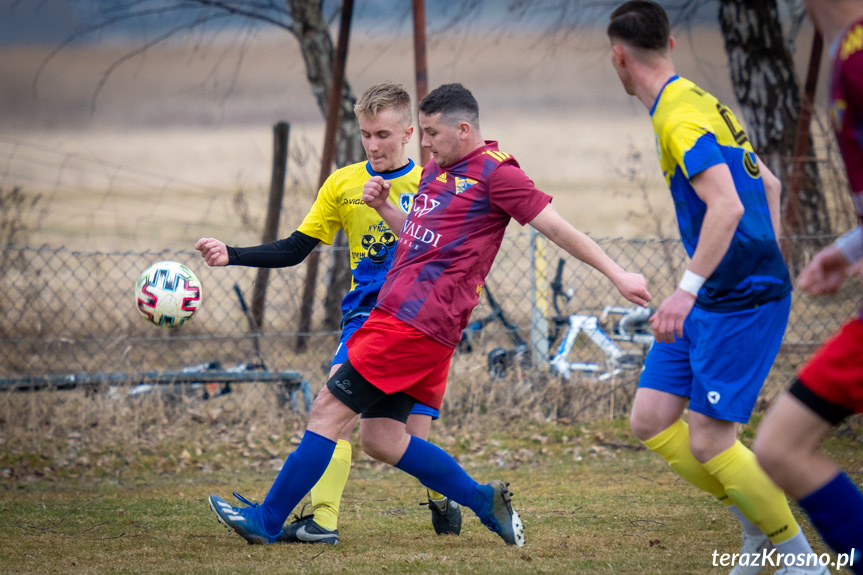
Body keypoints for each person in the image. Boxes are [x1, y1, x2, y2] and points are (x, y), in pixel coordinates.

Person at [207, 82, 651, 548]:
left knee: (326, 410)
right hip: (406, 319)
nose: (425, 144)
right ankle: (484, 502)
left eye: (432, 134)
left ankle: (269, 520)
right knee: (382, 439)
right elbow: (421, 240)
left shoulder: (497, 175)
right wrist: (382, 207)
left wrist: (617, 274)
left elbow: (558, 229)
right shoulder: (438, 172)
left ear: (463, 129)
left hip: (414, 324)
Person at [607, 3, 829, 574]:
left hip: (736, 299)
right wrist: (766, 254)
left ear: (619, 56)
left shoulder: (679, 118)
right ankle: (757, 526)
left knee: (709, 440)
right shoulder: (700, 102)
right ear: (672, 45)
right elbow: (771, 185)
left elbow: (728, 204)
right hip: (716, 290)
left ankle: (797, 558)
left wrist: (688, 289)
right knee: (652, 420)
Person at [196, 82, 462, 545]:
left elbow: (451, 262)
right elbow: (297, 248)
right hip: (366, 319)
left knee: (406, 442)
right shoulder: (344, 183)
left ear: (408, 133)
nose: (373, 145)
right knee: (332, 408)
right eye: (366, 135)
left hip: (421, 323)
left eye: (383, 134)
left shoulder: (432, 184)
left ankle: (446, 495)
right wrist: (231, 253)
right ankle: (323, 521)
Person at [751, 1, 863, 572]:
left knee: (779, 446)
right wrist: (847, 251)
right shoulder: (848, 53)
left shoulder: (860, 57)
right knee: (778, 446)